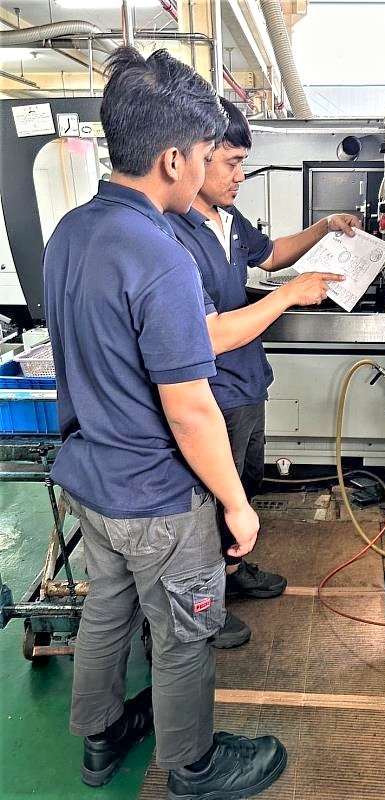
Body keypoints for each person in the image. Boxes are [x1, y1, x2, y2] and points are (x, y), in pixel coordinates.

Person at [43, 48, 286, 800]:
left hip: (91, 480)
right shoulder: (161, 255)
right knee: (186, 631)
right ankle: (193, 766)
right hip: (156, 497)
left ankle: (101, 736)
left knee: (108, 612)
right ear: (174, 159)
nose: (211, 168)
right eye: (209, 155)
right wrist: (237, 506)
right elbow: (189, 406)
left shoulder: (70, 232)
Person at [168, 97, 359, 648]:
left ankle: (231, 572)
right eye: (231, 163)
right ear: (196, 156)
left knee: (246, 485)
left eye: (242, 164)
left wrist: (324, 227)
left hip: (247, 383)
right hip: (211, 393)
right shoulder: (173, 234)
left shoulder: (229, 220)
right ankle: (206, 605)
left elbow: (272, 255)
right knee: (211, 503)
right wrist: (290, 296)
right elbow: (208, 334)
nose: (240, 176)